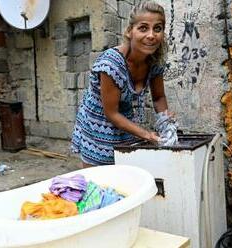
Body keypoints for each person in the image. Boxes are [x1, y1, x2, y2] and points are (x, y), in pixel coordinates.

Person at [71, 1, 171, 167]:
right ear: (130, 31)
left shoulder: (155, 60)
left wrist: (166, 122)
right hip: (99, 125)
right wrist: (148, 135)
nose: (151, 35)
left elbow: (159, 97)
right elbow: (111, 113)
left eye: (158, 28)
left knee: (127, 176)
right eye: (143, 28)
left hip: (124, 122)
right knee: (99, 182)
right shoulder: (112, 64)